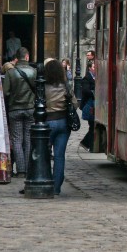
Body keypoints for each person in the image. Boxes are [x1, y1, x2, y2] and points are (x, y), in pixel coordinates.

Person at [43, 59, 77, 194]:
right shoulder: (66, 86)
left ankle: (44, 180)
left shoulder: (43, 86)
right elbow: (75, 104)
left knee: (44, 154)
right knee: (59, 156)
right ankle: (56, 187)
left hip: (48, 122)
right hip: (63, 122)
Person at [4, 47, 36, 176]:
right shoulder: (34, 71)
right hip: (30, 108)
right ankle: (28, 168)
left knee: (17, 140)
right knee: (28, 139)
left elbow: (6, 92)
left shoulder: (11, 72)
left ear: (17, 58)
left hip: (15, 109)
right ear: (27, 57)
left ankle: (21, 170)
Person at [79, 52, 96, 151]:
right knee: (92, 126)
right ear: (90, 68)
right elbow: (85, 91)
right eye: (94, 67)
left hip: (95, 105)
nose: (95, 68)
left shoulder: (95, 77)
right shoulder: (87, 78)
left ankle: (89, 145)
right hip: (89, 106)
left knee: (93, 126)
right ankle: (86, 143)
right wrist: (94, 92)